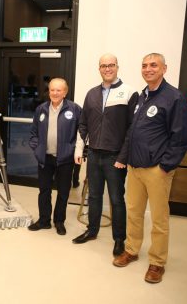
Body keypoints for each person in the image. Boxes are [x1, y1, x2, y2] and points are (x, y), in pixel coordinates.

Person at [113, 53, 187, 283]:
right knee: (134, 213)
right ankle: (132, 250)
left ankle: (157, 262)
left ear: (164, 69)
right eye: (144, 65)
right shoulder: (141, 97)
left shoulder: (174, 98)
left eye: (153, 65)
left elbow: (180, 139)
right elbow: (132, 132)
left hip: (157, 170)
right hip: (135, 168)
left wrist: (165, 166)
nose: (148, 69)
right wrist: (125, 158)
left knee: (159, 219)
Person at [72, 54, 138, 256]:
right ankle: (92, 231)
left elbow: (132, 129)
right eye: (103, 66)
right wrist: (79, 149)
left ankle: (119, 239)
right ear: (99, 69)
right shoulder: (91, 93)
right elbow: (83, 124)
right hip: (93, 154)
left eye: (111, 65)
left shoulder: (129, 93)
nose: (107, 68)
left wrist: (123, 157)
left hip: (115, 157)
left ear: (117, 67)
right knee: (93, 195)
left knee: (117, 199)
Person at [28, 77, 81, 235]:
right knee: (44, 190)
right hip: (45, 158)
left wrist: (74, 150)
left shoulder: (75, 109)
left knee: (63, 192)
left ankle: (59, 221)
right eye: (52, 90)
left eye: (59, 90)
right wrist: (37, 148)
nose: (55, 93)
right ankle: (44, 220)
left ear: (65, 92)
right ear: (48, 91)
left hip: (65, 159)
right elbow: (34, 132)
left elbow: (82, 132)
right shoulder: (41, 109)